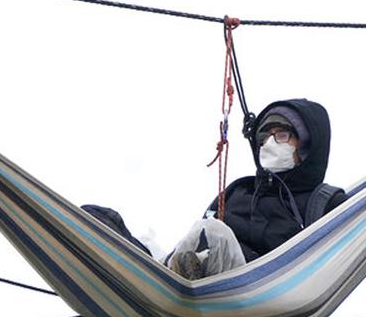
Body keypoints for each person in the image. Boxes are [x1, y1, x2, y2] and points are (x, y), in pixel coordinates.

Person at [84, 98, 347, 280]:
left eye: (281, 135)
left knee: (213, 233)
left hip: (257, 289)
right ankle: (137, 273)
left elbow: (351, 241)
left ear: (307, 145)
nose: (268, 144)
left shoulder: (323, 202)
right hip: (194, 277)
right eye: (264, 137)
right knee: (98, 219)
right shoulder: (238, 192)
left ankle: (161, 283)